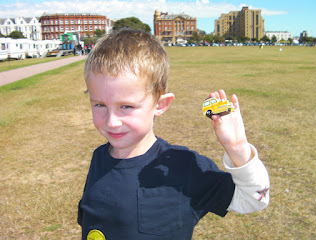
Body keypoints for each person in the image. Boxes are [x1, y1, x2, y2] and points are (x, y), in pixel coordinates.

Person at [78, 29, 270, 240]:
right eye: (99, 105)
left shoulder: (184, 166)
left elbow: (253, 200)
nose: (111, 121)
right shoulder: (99, 158)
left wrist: (238, 149)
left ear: (160, 105)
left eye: (126, 106)